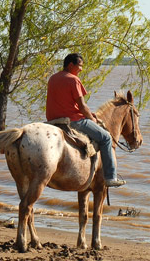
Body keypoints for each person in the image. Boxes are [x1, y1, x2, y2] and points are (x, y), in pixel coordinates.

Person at [47, 53, 125, 187]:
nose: (81, 69)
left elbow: (66, 102)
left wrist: (90, 114)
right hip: (73, 120)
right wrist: (92, 119)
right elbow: (82, 106)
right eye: (80, 66)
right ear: (71, 65)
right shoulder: (73, 80)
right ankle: (111, 177)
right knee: (106, 137)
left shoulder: (53, 78)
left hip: (53, 119)